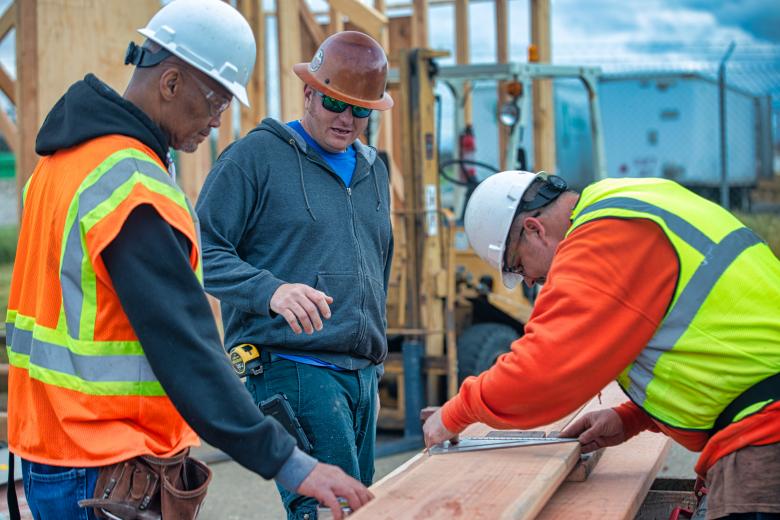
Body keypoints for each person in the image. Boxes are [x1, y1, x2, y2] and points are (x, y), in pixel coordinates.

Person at [5, 2, 370, 519]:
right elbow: (186, 347)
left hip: (53, 450)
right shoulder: (130, 187)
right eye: (216, 100)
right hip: (104, 464)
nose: (219, 119)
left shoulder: (65, 162)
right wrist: (290, 463)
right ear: (171, 83)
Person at [423, 171, 780, 519]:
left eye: (520, 266)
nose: (531, 281)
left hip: (765, 437)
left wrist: (456, 413)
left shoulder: (605, 235)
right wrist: (630, 418)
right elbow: (714, 346)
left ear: (534, 230)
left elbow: (544, 370)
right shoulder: (635, 202)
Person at [196, 30, 394, 519]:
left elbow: (378, 262)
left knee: (356, 505)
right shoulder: (255, 158)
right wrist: (271, 290)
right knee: (332, 507)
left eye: (361, 110)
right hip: (292, 365)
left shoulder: (373, 169)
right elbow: (201, 252)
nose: (347, 119)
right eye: (334, 102)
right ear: (308, 92)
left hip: (360, 372)